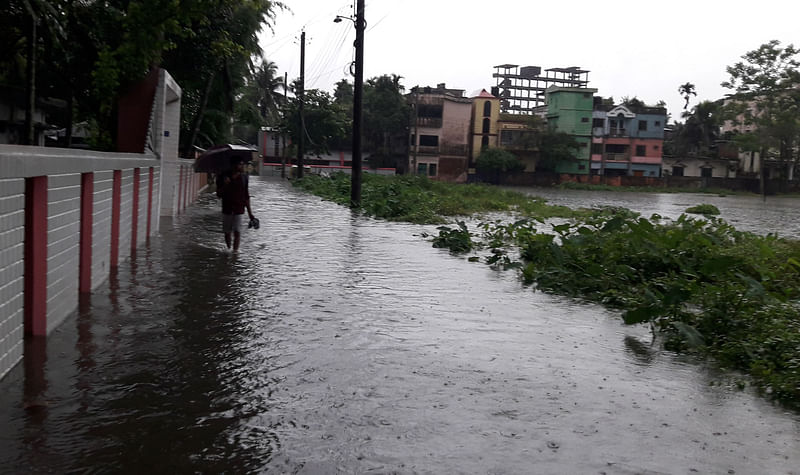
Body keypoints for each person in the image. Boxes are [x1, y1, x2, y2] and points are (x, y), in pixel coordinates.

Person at [216, 156, 255, 251]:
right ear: (233, 165)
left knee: (237, 232)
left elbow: (246, 196)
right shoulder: (223, 177)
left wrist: (250, 214)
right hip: (227, 208)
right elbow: (219, 194)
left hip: (239, 208)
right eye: (240, 164)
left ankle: (234, 253)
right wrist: (226, 184)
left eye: (242, 164)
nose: (242, 166)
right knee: (227, 232)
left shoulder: (244, 178)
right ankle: (228, 249)